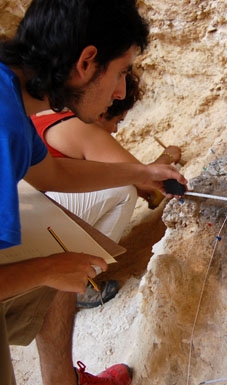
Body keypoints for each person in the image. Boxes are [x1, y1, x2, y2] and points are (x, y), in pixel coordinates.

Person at [0, 1, 187, 385]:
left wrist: (142, 173)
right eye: (121, 72)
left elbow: (53, 173)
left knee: (62, 250)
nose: (121, 91)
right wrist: (46, 269)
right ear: (87, 62)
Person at [31, 72, 182, 308]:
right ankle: (76, 283)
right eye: (117, 121)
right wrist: (169, 155)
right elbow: (143, 181)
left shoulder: (47, 113)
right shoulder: (82, 128)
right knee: (122, 191)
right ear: (104, 110)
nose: (113, 130)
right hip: (37, 233)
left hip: (21, 227)